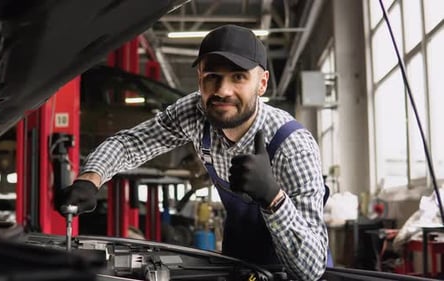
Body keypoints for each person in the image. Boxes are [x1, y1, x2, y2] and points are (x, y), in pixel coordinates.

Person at [55, 24, 328, 280]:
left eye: (238, 77)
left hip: (288, 269)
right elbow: (131, 143)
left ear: (262, 83)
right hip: (237, 260)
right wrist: (90, 179)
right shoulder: (197, 113)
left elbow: (311, 269)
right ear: (199, 79)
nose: (223, 91)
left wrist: (273, 198)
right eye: (212, 77)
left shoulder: (292, 146)